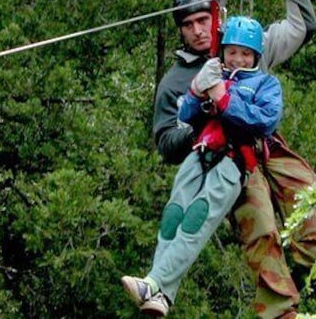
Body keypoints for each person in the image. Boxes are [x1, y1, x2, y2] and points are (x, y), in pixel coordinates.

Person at [150, 0, 316, 319]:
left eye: (204, 20)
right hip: (225, 159)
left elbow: (302, 28)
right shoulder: (176, 83)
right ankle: (281, 311)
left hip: (266, 143)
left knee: (311, 206)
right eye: (189, 24)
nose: (198, 30)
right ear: (181, 30)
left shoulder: (244, 48)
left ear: (215, 18)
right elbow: (166, 144)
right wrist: (200, 116)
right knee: (260, 229)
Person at [121, 16, 283, 317]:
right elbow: (187, 115)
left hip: (233, 159)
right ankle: (161, 294)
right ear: (224, 51)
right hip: (200, 151)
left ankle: (154, 283)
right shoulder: (215, 73)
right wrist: (197, 90)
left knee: (197, 218)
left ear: (255, 57)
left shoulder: (265, 84)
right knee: (173, 216)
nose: (238, 58)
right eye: (232, 51)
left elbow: (264, 121)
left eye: (245, 54)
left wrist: (223, 99)